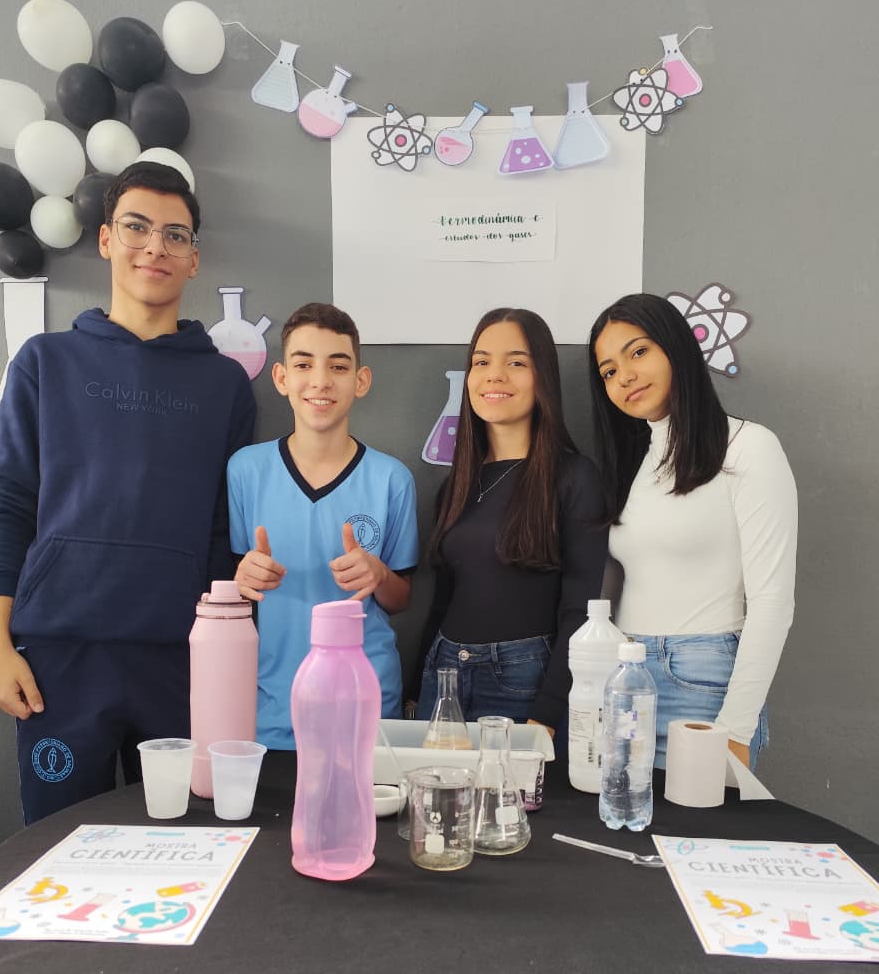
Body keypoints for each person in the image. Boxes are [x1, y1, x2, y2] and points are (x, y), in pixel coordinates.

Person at [0, 161, 257, 823]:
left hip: (183, 662)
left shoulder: (225, 386)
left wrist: (226, 657)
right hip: (59, 659)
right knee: (59, 852)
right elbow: (9, 504)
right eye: (136, 227)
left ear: (194, 259)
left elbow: (225, 533)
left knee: (188, 853)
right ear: (106, 239)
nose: (155, 247)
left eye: (175, 235)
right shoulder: (43, 362)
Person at [589, 292, 797, 770]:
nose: (625, 377)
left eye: (638, 352)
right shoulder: (635, 463)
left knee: (699, 820)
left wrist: (737, 729)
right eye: (609, 371)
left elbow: (772, 602)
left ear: (677, 348)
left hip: (702, 682)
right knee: (621, 814)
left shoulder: (748, 448)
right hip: (625, 678)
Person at [229, 302, 419, 748]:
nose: (320, 380)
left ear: (361, 380)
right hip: (273, 704)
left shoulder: (391, 479)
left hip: (366, 703)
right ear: (281, 378)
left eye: (338, 366)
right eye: (303, 364)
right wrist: (242, 579)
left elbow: (402, 598)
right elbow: (235, 591)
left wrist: (379, 575)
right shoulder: (246, 471)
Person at [415, 307, 607, 733]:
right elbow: (442, 600)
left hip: (523, 681)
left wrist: (549, 709)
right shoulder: (455, 486)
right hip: (442, 677)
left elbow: (581, 609)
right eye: (481, 362)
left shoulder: (573, 477)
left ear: (543, 377)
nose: (494, 375)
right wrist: (416, 687)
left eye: (516, 362)